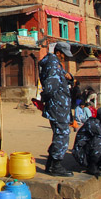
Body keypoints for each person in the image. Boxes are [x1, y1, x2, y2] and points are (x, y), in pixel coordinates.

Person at [38, 41, 74, 177]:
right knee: (62, 135)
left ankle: (51, 164)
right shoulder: (53, 63)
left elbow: (63, 77)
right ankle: (56, 165)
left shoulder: (56, 64)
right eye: (64, 54)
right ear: (58, 52)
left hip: (60, 105)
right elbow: (50, 87)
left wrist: (70, 77)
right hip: (57, 106)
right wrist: (46, 98)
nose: (65, 57)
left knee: (60, 134)